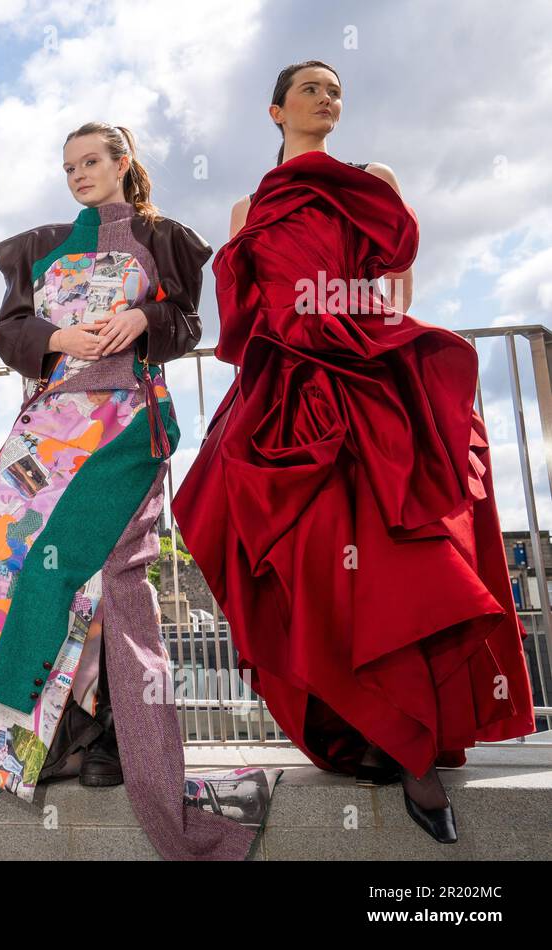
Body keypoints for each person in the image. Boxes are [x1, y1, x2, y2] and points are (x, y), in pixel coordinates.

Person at [172, 61, 537, 843]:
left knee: (395, 551)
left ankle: (413, 745)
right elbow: (240, 316)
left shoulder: (373, 177)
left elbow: (398, 282)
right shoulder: (247, 204)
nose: (327, 98)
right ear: (276, 109)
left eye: (335, 90)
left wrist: (345, 317)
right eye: (311, 89)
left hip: (360, 367)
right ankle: (359, 722)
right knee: (299, 546)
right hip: (288, 384)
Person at [0, 123, 275, 860]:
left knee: (110, 583)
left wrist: (142, 316)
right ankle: (16, 739)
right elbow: (10, 330)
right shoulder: (42, 243)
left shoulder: (163, 238)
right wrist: (59, 340)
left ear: (123, 164)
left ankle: (117, 743)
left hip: (124, 427)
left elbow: (186, 324)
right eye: (69, 166)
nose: (79, 174)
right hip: (44, 429)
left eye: (91, 162)